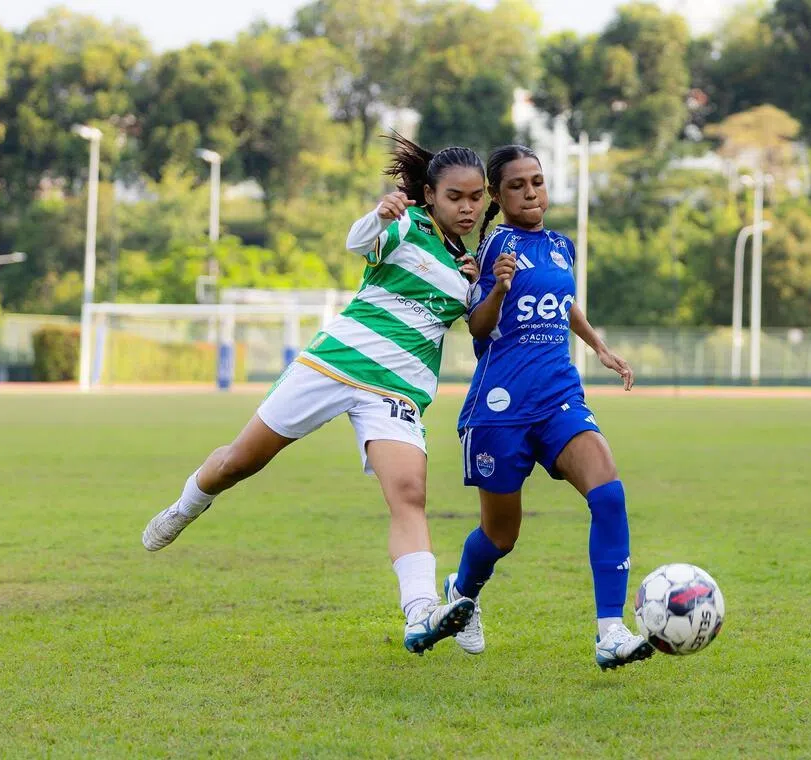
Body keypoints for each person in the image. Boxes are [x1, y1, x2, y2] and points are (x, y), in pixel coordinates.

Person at [141, 135, 489, 656]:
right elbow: (358, 243)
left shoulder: (469, 266)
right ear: (430, 196)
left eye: (475, 197)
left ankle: (420, 611)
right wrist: (379, 215)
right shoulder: (406, 224)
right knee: (240, 462)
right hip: (333, 364)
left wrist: (481, 287)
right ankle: (188, 504)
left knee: (409, 494)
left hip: (395, 391)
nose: (467, 207)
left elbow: (480, 323)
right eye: (455, 197)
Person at [443, 145, 652, 670]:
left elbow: (563, 300)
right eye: (516, 185)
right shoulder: (495, 246)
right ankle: (462, 593)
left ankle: (610, 632)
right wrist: (498, 289)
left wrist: (598, 346)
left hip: (559, 397)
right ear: (497, 195)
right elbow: (478, 326)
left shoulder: (561, 246)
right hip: (501, 407)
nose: (531, 192)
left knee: (608, 494)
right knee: (501, 536)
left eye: (536, 181)